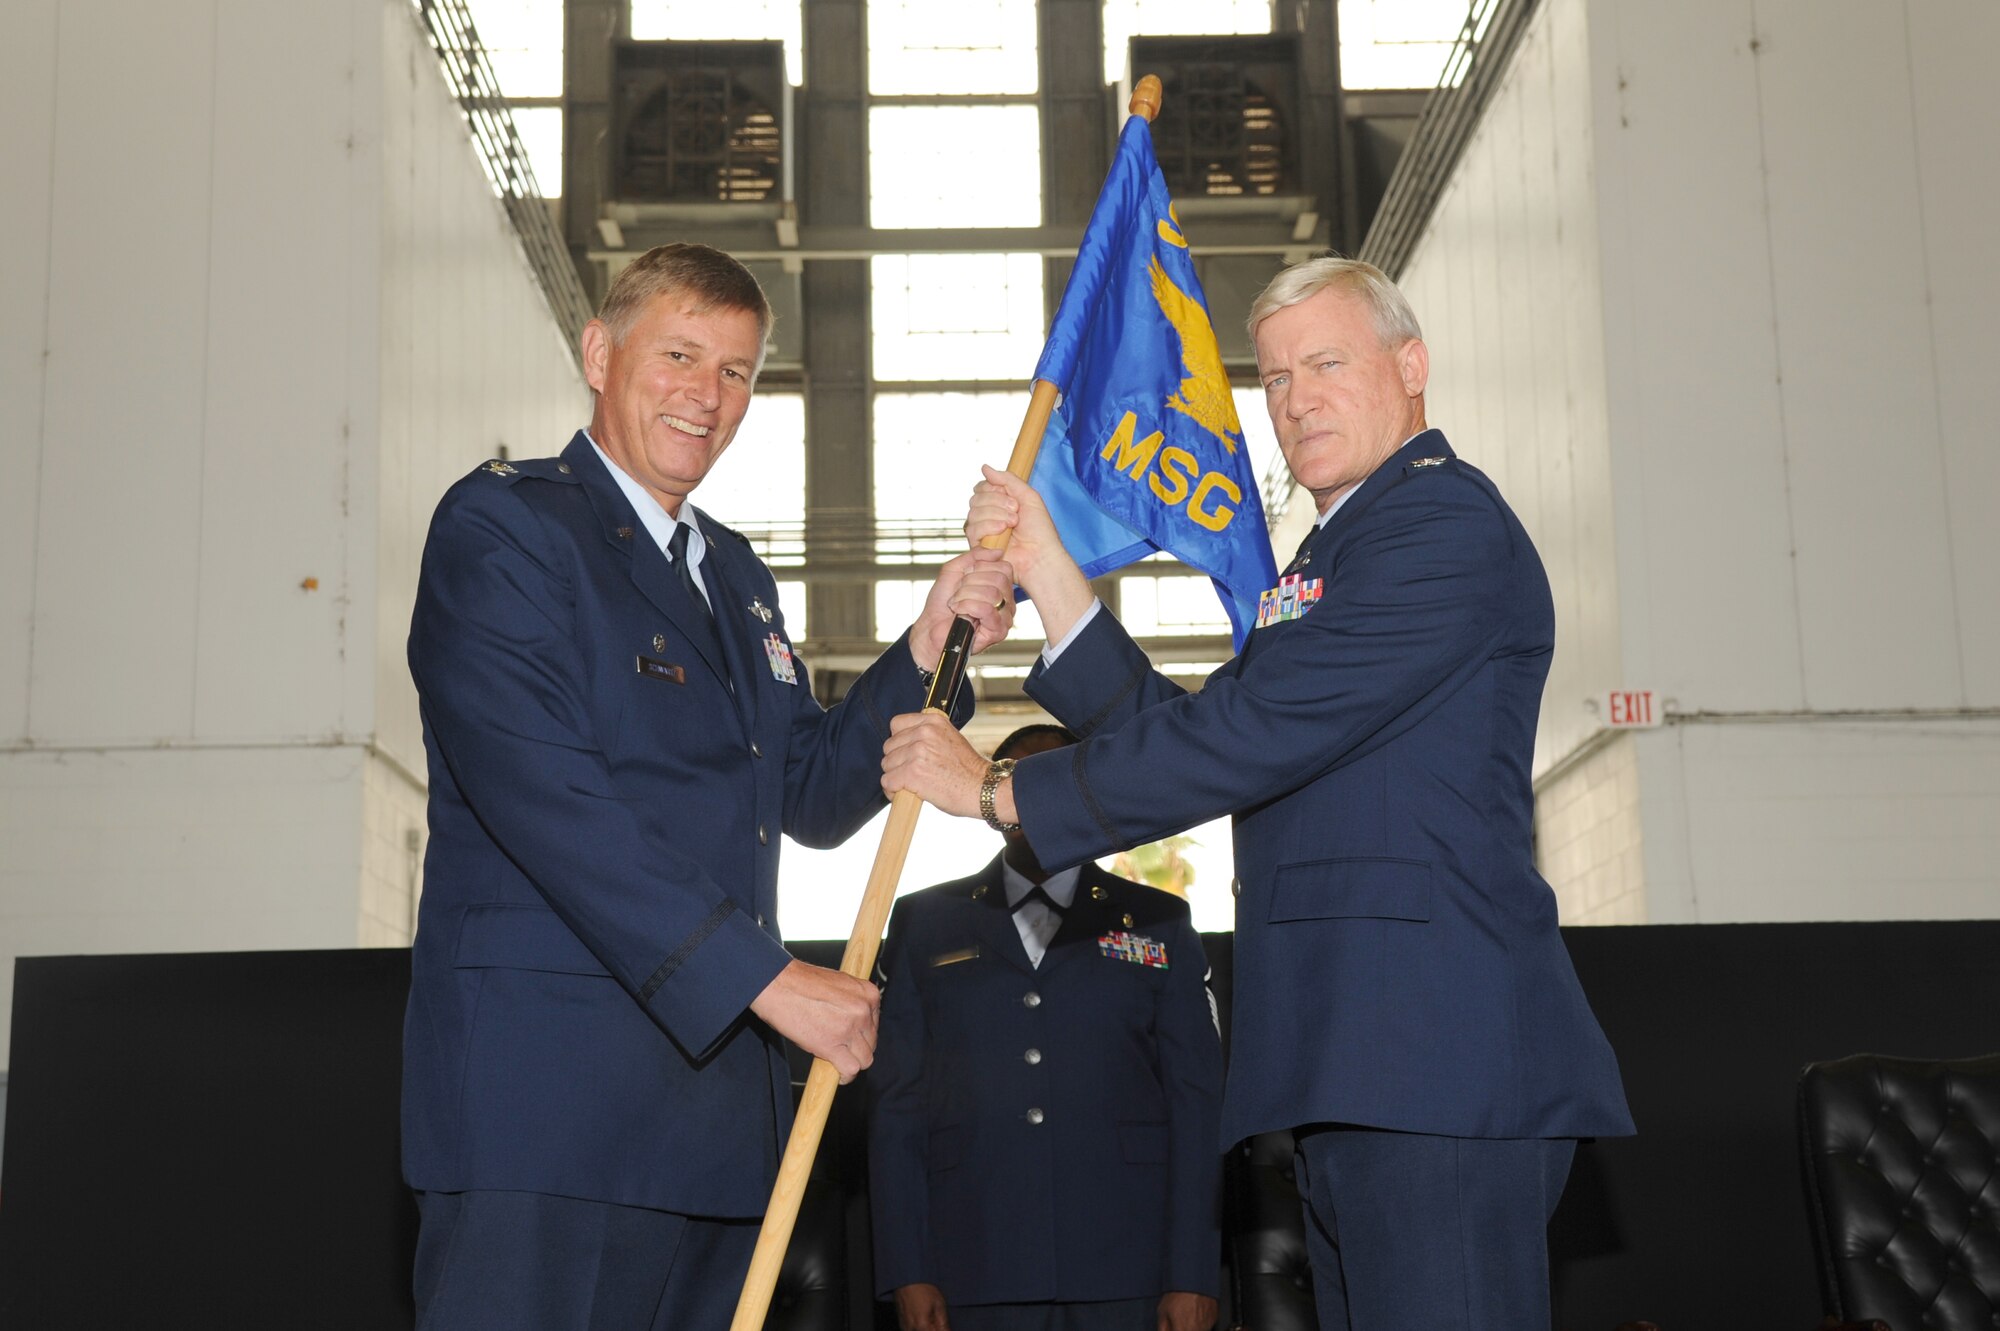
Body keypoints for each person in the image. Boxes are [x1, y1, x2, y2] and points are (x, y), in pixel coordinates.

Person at [881, 256, 1635, 1331]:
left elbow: (1245, 733)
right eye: (1274, 379)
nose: (1294, 399)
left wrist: (1003, 794)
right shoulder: (1340, 551)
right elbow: (1211, 735)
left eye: (1325, 363)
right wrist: (1054, 576)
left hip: (1432, 1065)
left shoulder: (1439, 528)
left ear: (1410, 365)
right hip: (1355, 1069)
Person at [402, 243, 1015, 1331]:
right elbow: (553, 808)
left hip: (714, 1128)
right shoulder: (504, 530)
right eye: (678, 354)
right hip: (545, 1118)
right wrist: (769, 980)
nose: (706, 394)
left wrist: (924, 649)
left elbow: (808, 793)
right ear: (599, 353)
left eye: (735, 371)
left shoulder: (734, 576)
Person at [868, 724, 1223, 1331]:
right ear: (989, 804)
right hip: (972, 1265)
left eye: (1056, 780)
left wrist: (1192, 1274)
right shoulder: (925, 924)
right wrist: (908, 1266)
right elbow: (897, 1108)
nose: (1034, 802)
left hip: (1129, 1268)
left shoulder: (1159, 922)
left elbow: (1198, 1107)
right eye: (1014, 782)